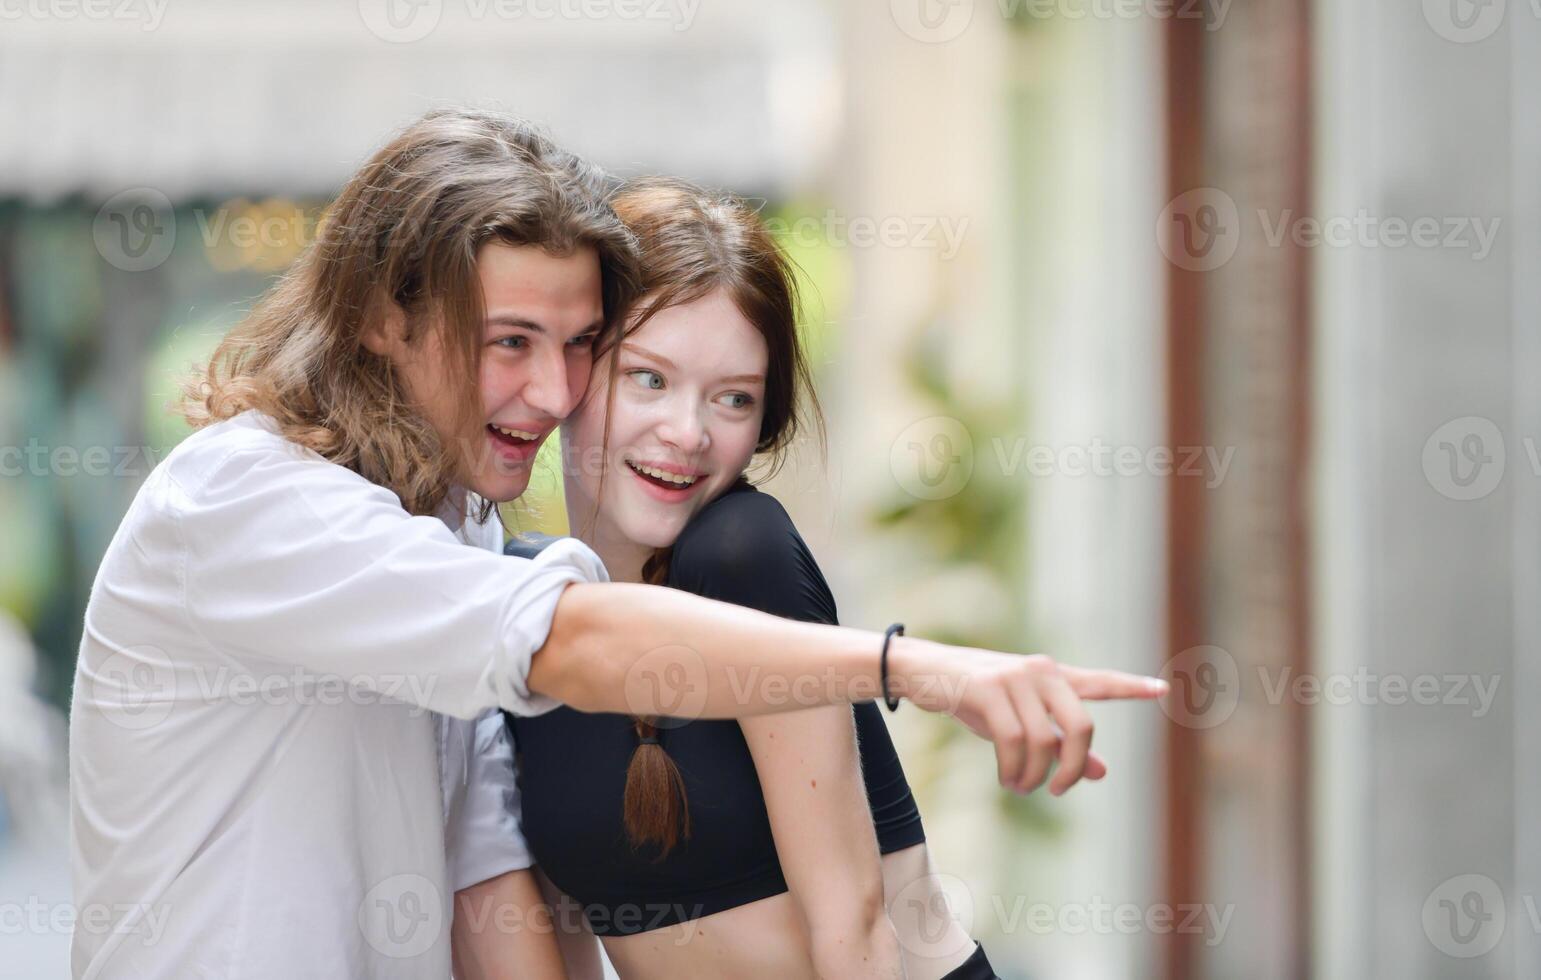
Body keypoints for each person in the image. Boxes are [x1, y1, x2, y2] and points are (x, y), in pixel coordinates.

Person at [68, 109, 1165, 980]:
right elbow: (570, 643)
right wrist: (910, 663)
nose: (551, 393)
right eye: (511, 343)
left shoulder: (466, 541)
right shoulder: (245, 501)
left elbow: (488, 887)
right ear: (379, 316)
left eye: (578, 347)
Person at [458, 177, 1023, 979]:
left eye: (731, 399)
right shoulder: (524, 607)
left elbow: (855, 925)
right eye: (648, 379)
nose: (685, 434)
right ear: (575, 372)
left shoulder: (739, 553)